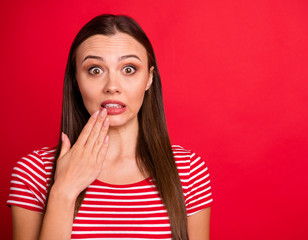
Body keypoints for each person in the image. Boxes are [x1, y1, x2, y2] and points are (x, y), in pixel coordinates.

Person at [7, 14, 212, 240]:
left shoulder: (188, 170)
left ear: (149, 79)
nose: (112, 86)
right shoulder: (34, 172)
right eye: (95, 70)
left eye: (129, 69)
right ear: (76, 80)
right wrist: (63, 192)